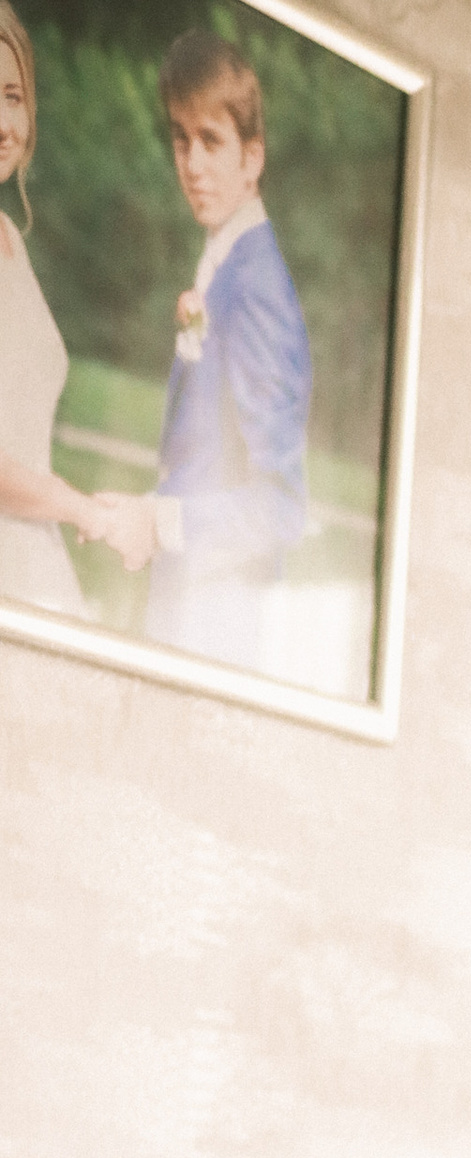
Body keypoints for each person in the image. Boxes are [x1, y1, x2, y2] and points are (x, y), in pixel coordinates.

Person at [90, 30, 312, 668]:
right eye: (181, 140)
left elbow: (282, 508)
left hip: (219, 624)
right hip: (184, 602)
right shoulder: (226, 258)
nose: (191, 164)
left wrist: (157, 525)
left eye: (212, 141)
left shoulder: (258, 286)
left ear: (253, 157)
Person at [0, 7, 139, 610]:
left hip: (34, 561)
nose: (6, 122)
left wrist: (79, 506)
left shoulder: (9, 237)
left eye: (13, 96)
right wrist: (83, 509)